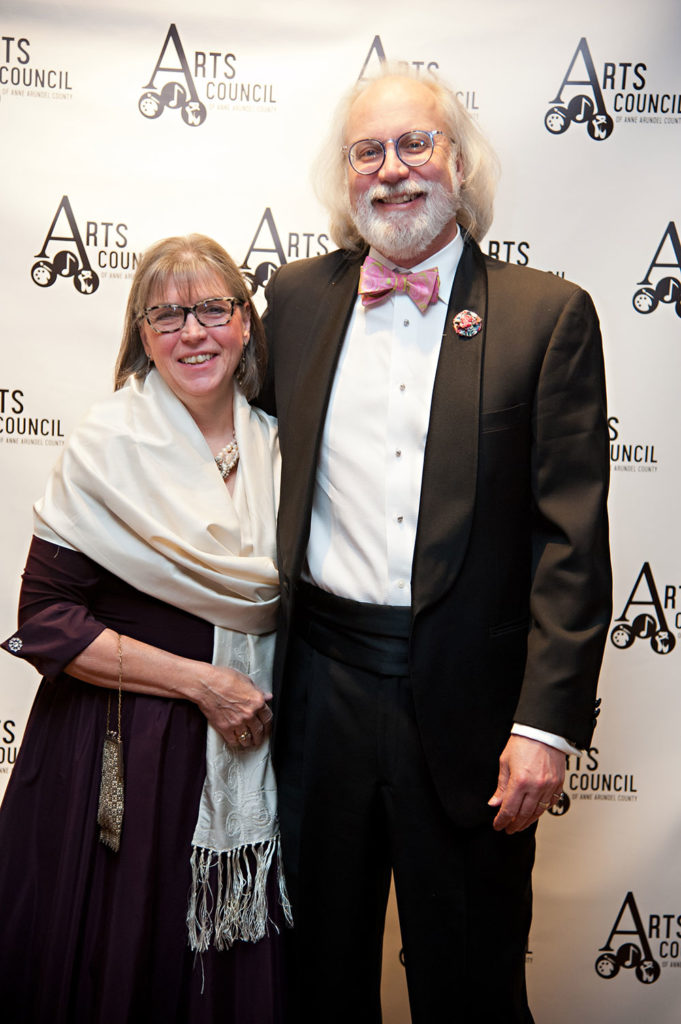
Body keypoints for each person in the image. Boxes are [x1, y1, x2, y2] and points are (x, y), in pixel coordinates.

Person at [260, 67, 611, 1023]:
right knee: (313, 983)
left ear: (459, 162)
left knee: (471, 988)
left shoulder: (546, 316)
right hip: (317, 700)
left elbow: (571, 542)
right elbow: (225, 444)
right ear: (344, 175)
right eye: (366, 151)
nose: (391, 170)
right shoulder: (294, 298)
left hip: (469, 714)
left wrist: (544, 727)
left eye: (414, 144)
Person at [0, 234, 291, 1024]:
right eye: (166, 316)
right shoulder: (107, 444)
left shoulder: (282, 448)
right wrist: (203, 684)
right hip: (122, 756)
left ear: (245, 324)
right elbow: (47, 622)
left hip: (248, 751)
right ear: (142, 335)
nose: (192, 332)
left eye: (212, 310)